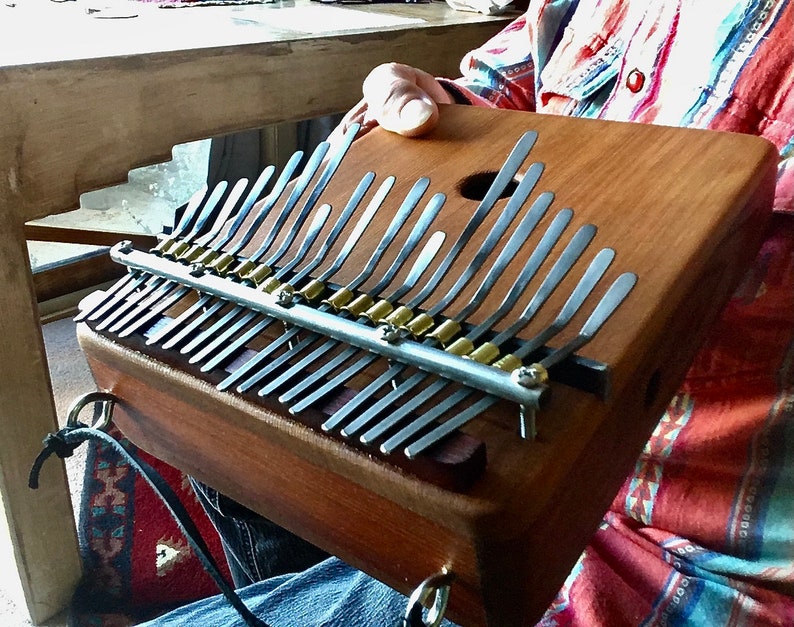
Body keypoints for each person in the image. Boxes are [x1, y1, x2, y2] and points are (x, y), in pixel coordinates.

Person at [142, 1, 794, 624]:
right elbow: (497, 87)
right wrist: (431, 112)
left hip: (675, 572)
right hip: (485, 417)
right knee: (232, 430)